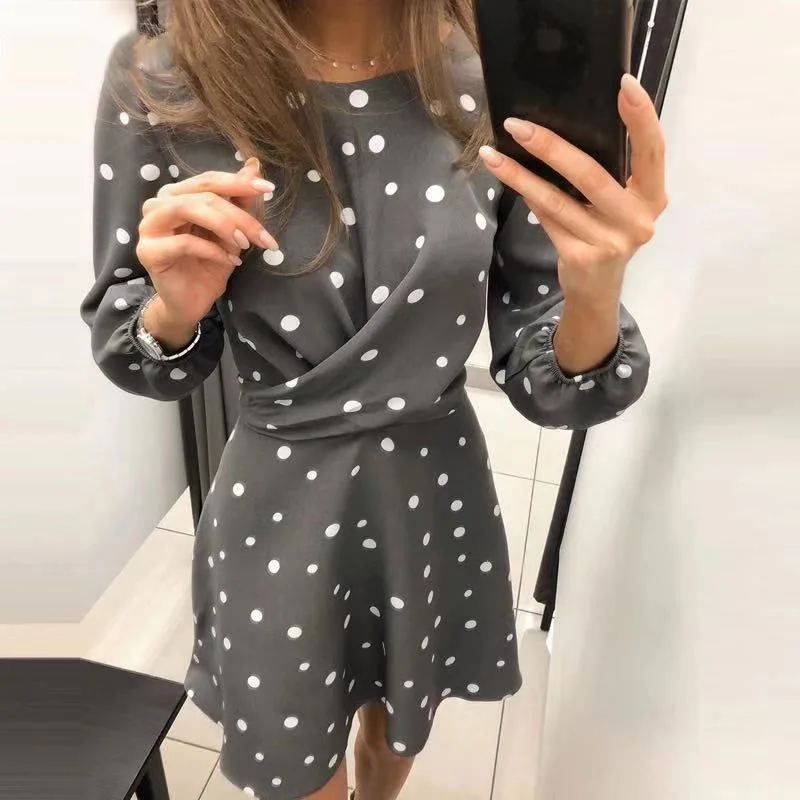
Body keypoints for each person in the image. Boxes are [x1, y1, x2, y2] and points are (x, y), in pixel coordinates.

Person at [80, 1, 667, 798]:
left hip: (433, 482)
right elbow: (134, 347)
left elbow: (551, 382)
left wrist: (596, 290)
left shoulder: (490, 77)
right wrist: (174, 309)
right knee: (296, 763)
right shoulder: (163, 83)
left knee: (397, 722)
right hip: (280, 500)